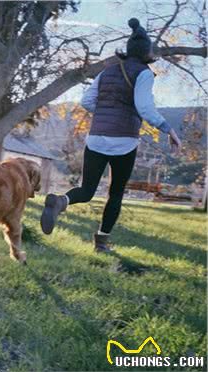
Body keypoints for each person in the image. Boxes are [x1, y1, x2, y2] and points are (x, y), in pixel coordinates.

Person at [40, 18, 182, 252]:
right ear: (147, 52)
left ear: (127, 49)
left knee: (86, 190)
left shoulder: (108, 71)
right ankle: (101, 244)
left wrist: (107, 112)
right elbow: (144, 107)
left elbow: (86, 101)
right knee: (115, 193)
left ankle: (60, 201)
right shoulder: (144, 74)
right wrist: (169, 129)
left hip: (96, 137)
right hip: (124, 141)